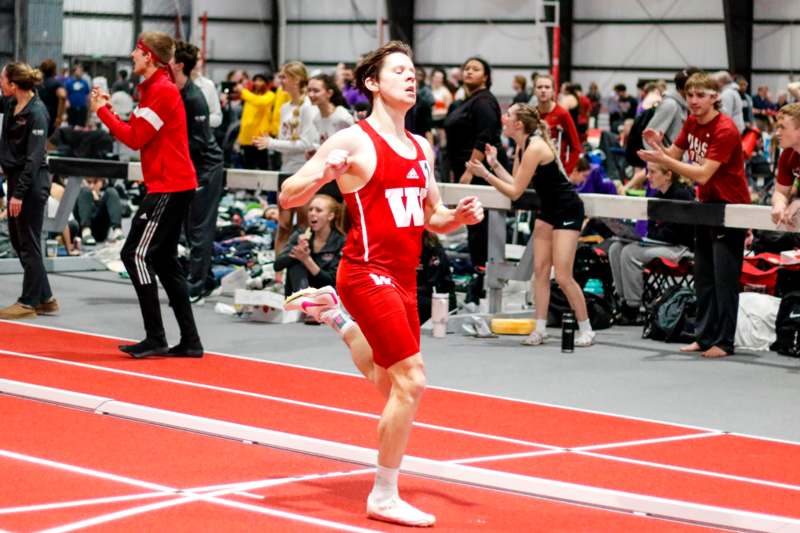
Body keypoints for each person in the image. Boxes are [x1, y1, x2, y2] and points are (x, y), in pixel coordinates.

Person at [279, 41, 484, 527]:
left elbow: (431, 215)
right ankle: (384, 494)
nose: (411, 78)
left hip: (405, 276)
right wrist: (318, 179)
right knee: (412, 382)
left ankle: (339, 320)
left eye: (413, 71)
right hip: (366, 273)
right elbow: (289, 194)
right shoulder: (354, 140)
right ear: (373, 83)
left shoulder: (420, 147)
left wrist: (457, 216)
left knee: (388, 381)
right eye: (399, 71)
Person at [91, 31, 203, 358]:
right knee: (165, 261)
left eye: (137, 52)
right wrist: (108, 109)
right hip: (170, 185)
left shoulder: (162, 92)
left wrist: (102, 112)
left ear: (149, 57)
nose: (131, 56)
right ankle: (190, 341)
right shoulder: (153, 90)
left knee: (135, 255)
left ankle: (156, 337)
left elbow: (135, 138)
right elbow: (138, 132)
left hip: (170, 187)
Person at [638, 71, 750, 358]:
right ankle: (704, 336)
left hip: (730, 208)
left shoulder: (725, 130)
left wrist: (665, 159)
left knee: (724, 279)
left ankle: (724, 342)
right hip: (706, 207)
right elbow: (673, 157)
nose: (694, 101)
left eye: (701, 95)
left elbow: (701, 174)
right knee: (703, 277)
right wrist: (657, 149)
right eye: (690, 95)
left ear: (715, 98)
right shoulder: (690, 121)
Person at [466, 103, 594, 347]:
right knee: (540, 272)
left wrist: (485, 174)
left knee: (564, 276)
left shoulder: (535, 147)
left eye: (508, 115)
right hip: (548, 210)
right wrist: (494, 165)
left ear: (518, 124)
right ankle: (540, 328)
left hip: (568, 209)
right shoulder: (522, 145)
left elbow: (514, 192)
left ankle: (586, 328)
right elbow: (516, 182)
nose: (503, 118)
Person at [443, 56, 506, 307]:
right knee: (473, 227)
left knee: (480, 228)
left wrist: (471, 170)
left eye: (475, 69)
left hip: (477, 172)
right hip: (460, 170)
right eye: (466, 68)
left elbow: (486, 136)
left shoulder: (484, 102)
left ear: (486, 76)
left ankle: (482, 281)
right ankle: (477, 280)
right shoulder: (463, 101)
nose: (469, 71)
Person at [0, 62, 58, 320]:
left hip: (31, 183)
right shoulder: (13, 104)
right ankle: (45, 298)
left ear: (13, 84)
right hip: (16, 179)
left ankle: (28, 302)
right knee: (18, 239)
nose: (0, 83)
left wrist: (19, 194)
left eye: (2, 79)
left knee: (28, 241)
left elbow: (35, 158)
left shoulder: (37, 113)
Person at [171, 40, 226, 303]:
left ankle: (196, 285)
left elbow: (200, 141)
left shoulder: (196, 96)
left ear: (179, 65)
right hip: (188, 167)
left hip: (205, 167)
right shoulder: (177, 92)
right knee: (187, 227)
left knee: (199, 228)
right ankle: (207, 279)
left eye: (169, 60)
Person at [608, 162, 695, 324]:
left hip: (681, 248)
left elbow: (680, 234)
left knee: (630, 252)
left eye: (653, 172)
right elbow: (653, 229)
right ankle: (623, 300)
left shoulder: (682, 195)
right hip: (662, 243)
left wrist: (649, 237)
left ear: (668, 175)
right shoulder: (658, 195)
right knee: (616, 248)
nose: (648, 176)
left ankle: (633, 308)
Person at [254, 61, 319, 258]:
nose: (279, 81)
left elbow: (307, 144)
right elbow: (286, 141)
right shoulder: (284, 107)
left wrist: (272, 143)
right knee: (282, 225)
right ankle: (277, 272)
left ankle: (299, 272)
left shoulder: (308, 107)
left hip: (303, 171)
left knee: (302, 225)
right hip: (285, 169)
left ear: (296, 80)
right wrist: (275, 143)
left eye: (284, 77)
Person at [273, 193, 345, 301]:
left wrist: (307, 259)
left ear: (330, 216)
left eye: (318, 210)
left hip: (326, 297)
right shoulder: (300, 235)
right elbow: (277, 265)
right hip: (299, 293)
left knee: (301, 261)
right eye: (310, 209)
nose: (312, 213)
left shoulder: (340, 241)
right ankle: (303, 303)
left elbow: (331, 280)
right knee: (295, 264)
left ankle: (308, 304)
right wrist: (296, 252)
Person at [308, 73, 354, 202]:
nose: (311, 94)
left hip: (346, 178)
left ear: (329, 93)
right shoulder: (317, 118)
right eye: (309, 90)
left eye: (316, 91)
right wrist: (317, 152)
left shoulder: (342, 117)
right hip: (329, 175)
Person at [534, 74, 582, 175]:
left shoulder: (562, 114)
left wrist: (567, 171)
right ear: (534, 91)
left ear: (553, 91)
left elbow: (576, 147)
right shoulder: (532, 114)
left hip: (557, 170)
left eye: (547, 87)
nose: (543, 90)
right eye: (539, 87)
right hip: (535, 170)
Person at [237, 73, 275, 170]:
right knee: (248, 166)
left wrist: (243, 92)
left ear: (266, 83)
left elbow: (259, 102)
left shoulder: (270, 95)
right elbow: (245, 118)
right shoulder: (249, 97)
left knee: (263, 166)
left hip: (260, 137)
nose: (257, 83)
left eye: (261, 80)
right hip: (247, 137)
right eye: (256, 80)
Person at [771, 103, 800, 227]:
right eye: (777, 127)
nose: (777, 133)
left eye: (782, 127)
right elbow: (780, 192)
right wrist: (779, 203)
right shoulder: (788, 154)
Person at [73, 177, 124, 245]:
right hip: (81, 231)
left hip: (100, 231)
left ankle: (117, 231)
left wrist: (97, 200)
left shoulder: (105, 197)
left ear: (101, 183)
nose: (91, 186)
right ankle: (86, 231)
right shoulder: (82, 192)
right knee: (85, 191)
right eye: (89, 182)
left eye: (95, 182)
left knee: (111, 191)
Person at [37, 59, 67, 137]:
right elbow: (63, 96)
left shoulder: (37, 84)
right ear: (54, 70)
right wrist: (59, 117)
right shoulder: (56, 83)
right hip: (51, 117)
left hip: (37, 116)